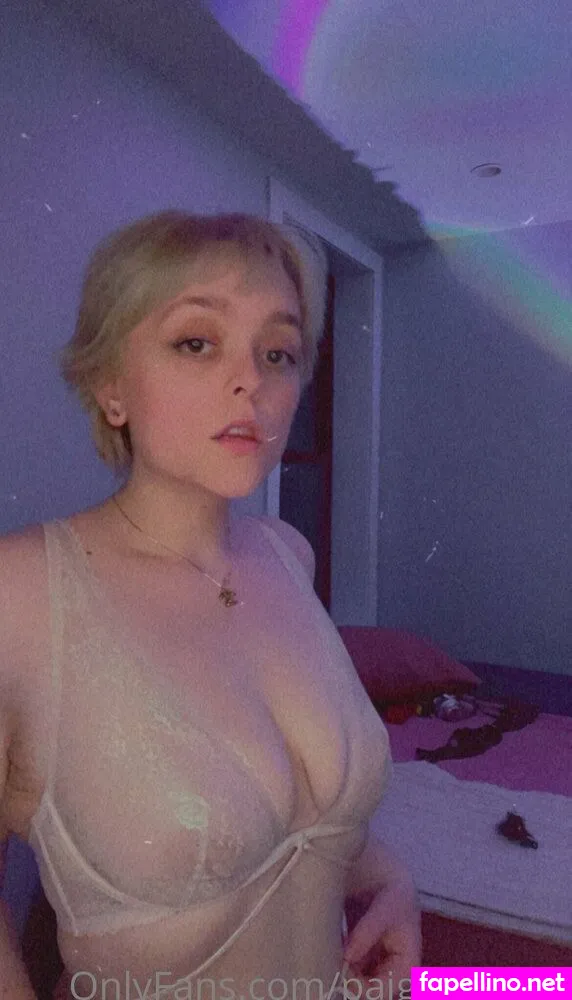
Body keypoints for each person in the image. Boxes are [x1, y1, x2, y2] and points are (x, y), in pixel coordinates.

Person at [0, 211, 420, 1000]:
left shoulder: (287, 555)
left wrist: (393, 882)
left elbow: (311, 825)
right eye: (197, 342)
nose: (251, 381)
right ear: (110, 387)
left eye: (278, 352)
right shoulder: (21, 595)